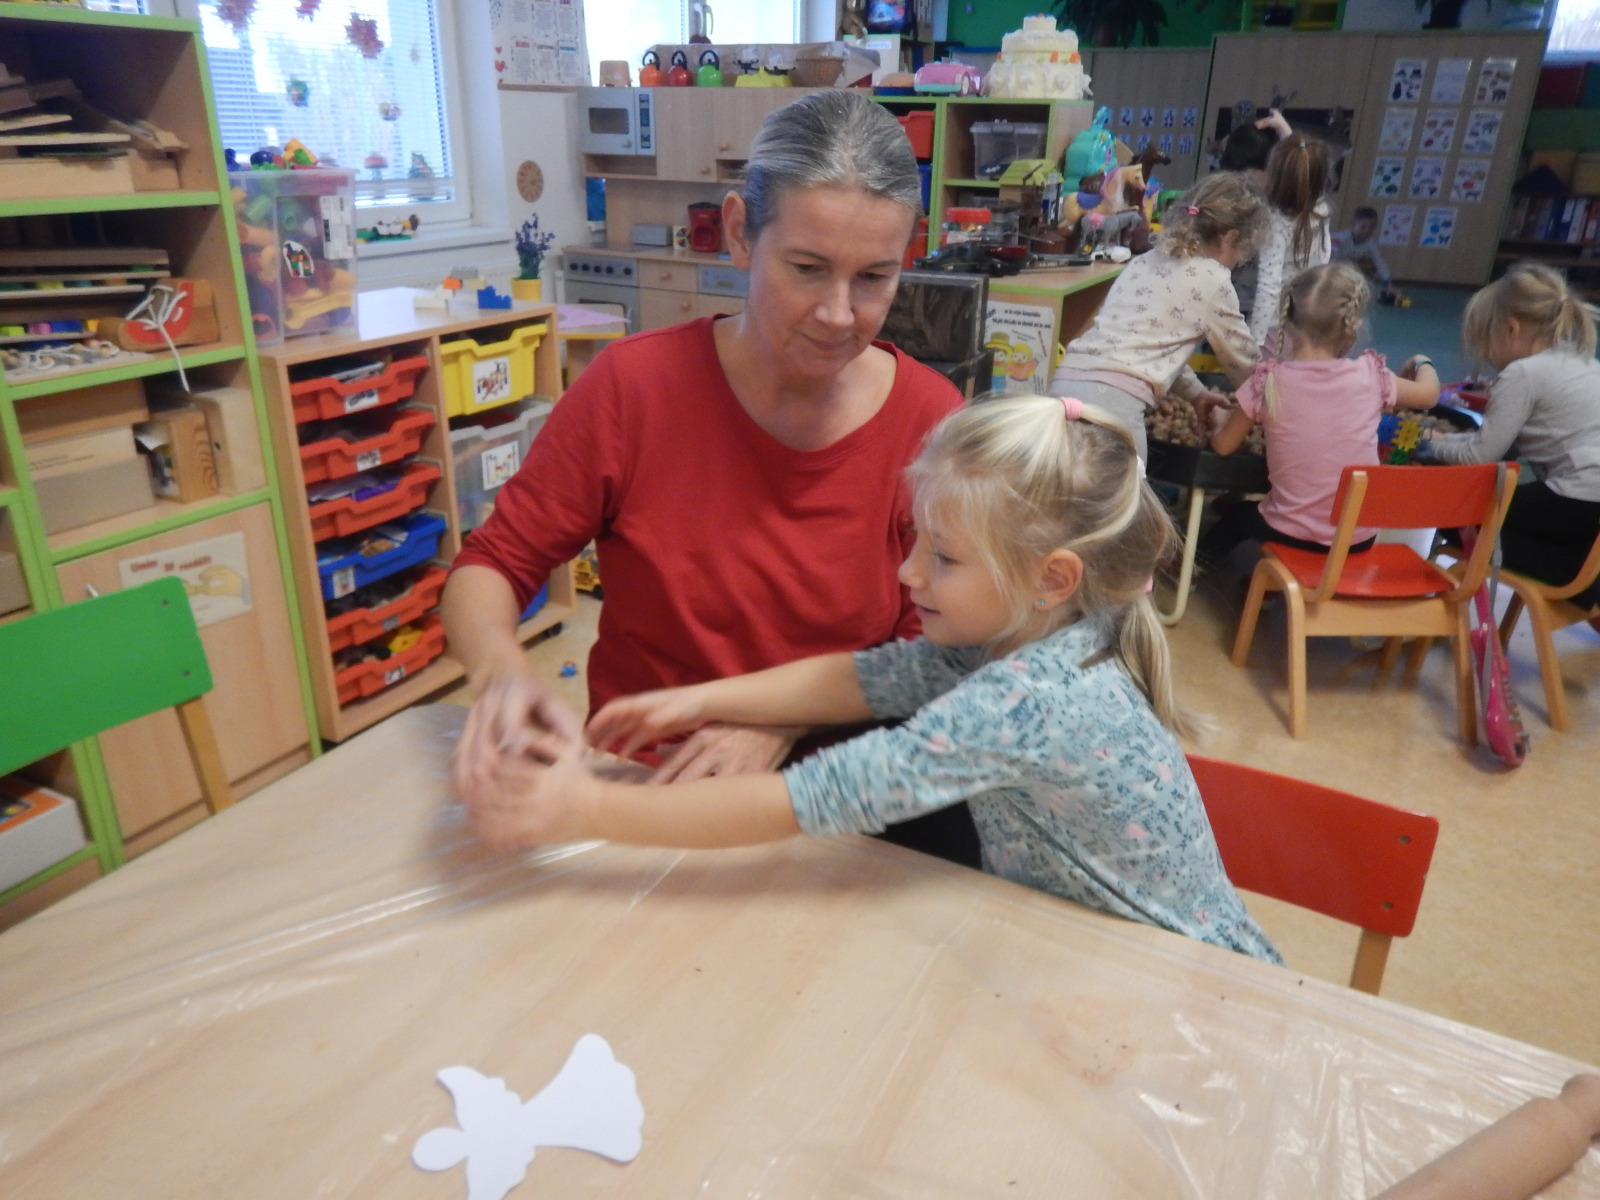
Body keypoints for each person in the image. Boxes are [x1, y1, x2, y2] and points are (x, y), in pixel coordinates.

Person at [461, 394, 1283, 965]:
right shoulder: (1040, 630)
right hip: (1103, 956)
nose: (908, 572)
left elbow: (812, 798)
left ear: (1052, 578)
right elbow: (869, 678)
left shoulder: (1028, 699)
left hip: (1183, 983)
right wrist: (701, 698)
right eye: (917, 539)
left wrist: (585, 807)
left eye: (944, 557)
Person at [446, 90, 964, 801]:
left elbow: (935, 648)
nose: (839, 314)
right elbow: (493, 564)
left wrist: (782, 721)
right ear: (740, 233)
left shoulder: (930, 422)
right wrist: (501, 672)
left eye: (874, 278)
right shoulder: (635, 388)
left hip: (830, 800)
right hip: (641, 787)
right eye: (806, 268)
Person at [1201, 262, 1441, 563]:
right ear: (1353, 327)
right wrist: (1421, 361)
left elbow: (1224, 445)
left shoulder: (1268, 381)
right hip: (1357, 538)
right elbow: (1429, 394)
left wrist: (1219, 421)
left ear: (1287, 321)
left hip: (1290, 532)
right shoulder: (1371, 376)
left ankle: (1191, 571)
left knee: (1238, 516)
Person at [1049, 171, 1269, 460]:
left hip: (1063, 386)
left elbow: (1150, 346)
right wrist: (1271, 405)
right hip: (1114, 405)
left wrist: (1197, 394)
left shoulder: (1143, 262)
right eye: (1242, 253)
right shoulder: (1214, 279)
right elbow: (1244, 363)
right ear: (1230, 238)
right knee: (1124, 488)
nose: (1239, 262)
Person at [1420, 263, 1600, 613]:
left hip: (1571, 501)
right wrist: (1446, 440)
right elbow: (1500, 444)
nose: (1486, 356)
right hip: (1588, 513)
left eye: (1485, 342)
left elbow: (1479, 456)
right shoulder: (1584, 361)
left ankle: (1573, 578)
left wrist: (1426, 445)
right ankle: (1584, 581)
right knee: (1496, 513)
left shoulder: (1523, 373)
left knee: (1456, 517)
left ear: (1511, 329)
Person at [1249, 133, 1334, 345]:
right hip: (1305, 318)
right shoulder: (1321, 209)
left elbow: (1269, 284)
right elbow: (1324, 259)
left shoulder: (1276, 221)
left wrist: (1254, 341)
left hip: (1274, 325)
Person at [1218, 106, 1291, 329]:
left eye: (1255, 171)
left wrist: (1286, 133)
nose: (1246, 179)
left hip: (1259, 307)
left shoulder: (1277, 203)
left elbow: (1303, 171)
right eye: (1239, 172)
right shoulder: (1227, 197)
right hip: (1225, 300)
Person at [1331, 205, 1396, 299]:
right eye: (1363, 226)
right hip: (1330, 264)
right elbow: (1328, 258)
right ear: (1353, 226)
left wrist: (1388, 283)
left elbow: (1379, 262)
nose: (1367, 230)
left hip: (1346, 264)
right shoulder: (1339, 239)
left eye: (1371, 227)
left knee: (1370, 267)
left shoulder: (1371, 243)